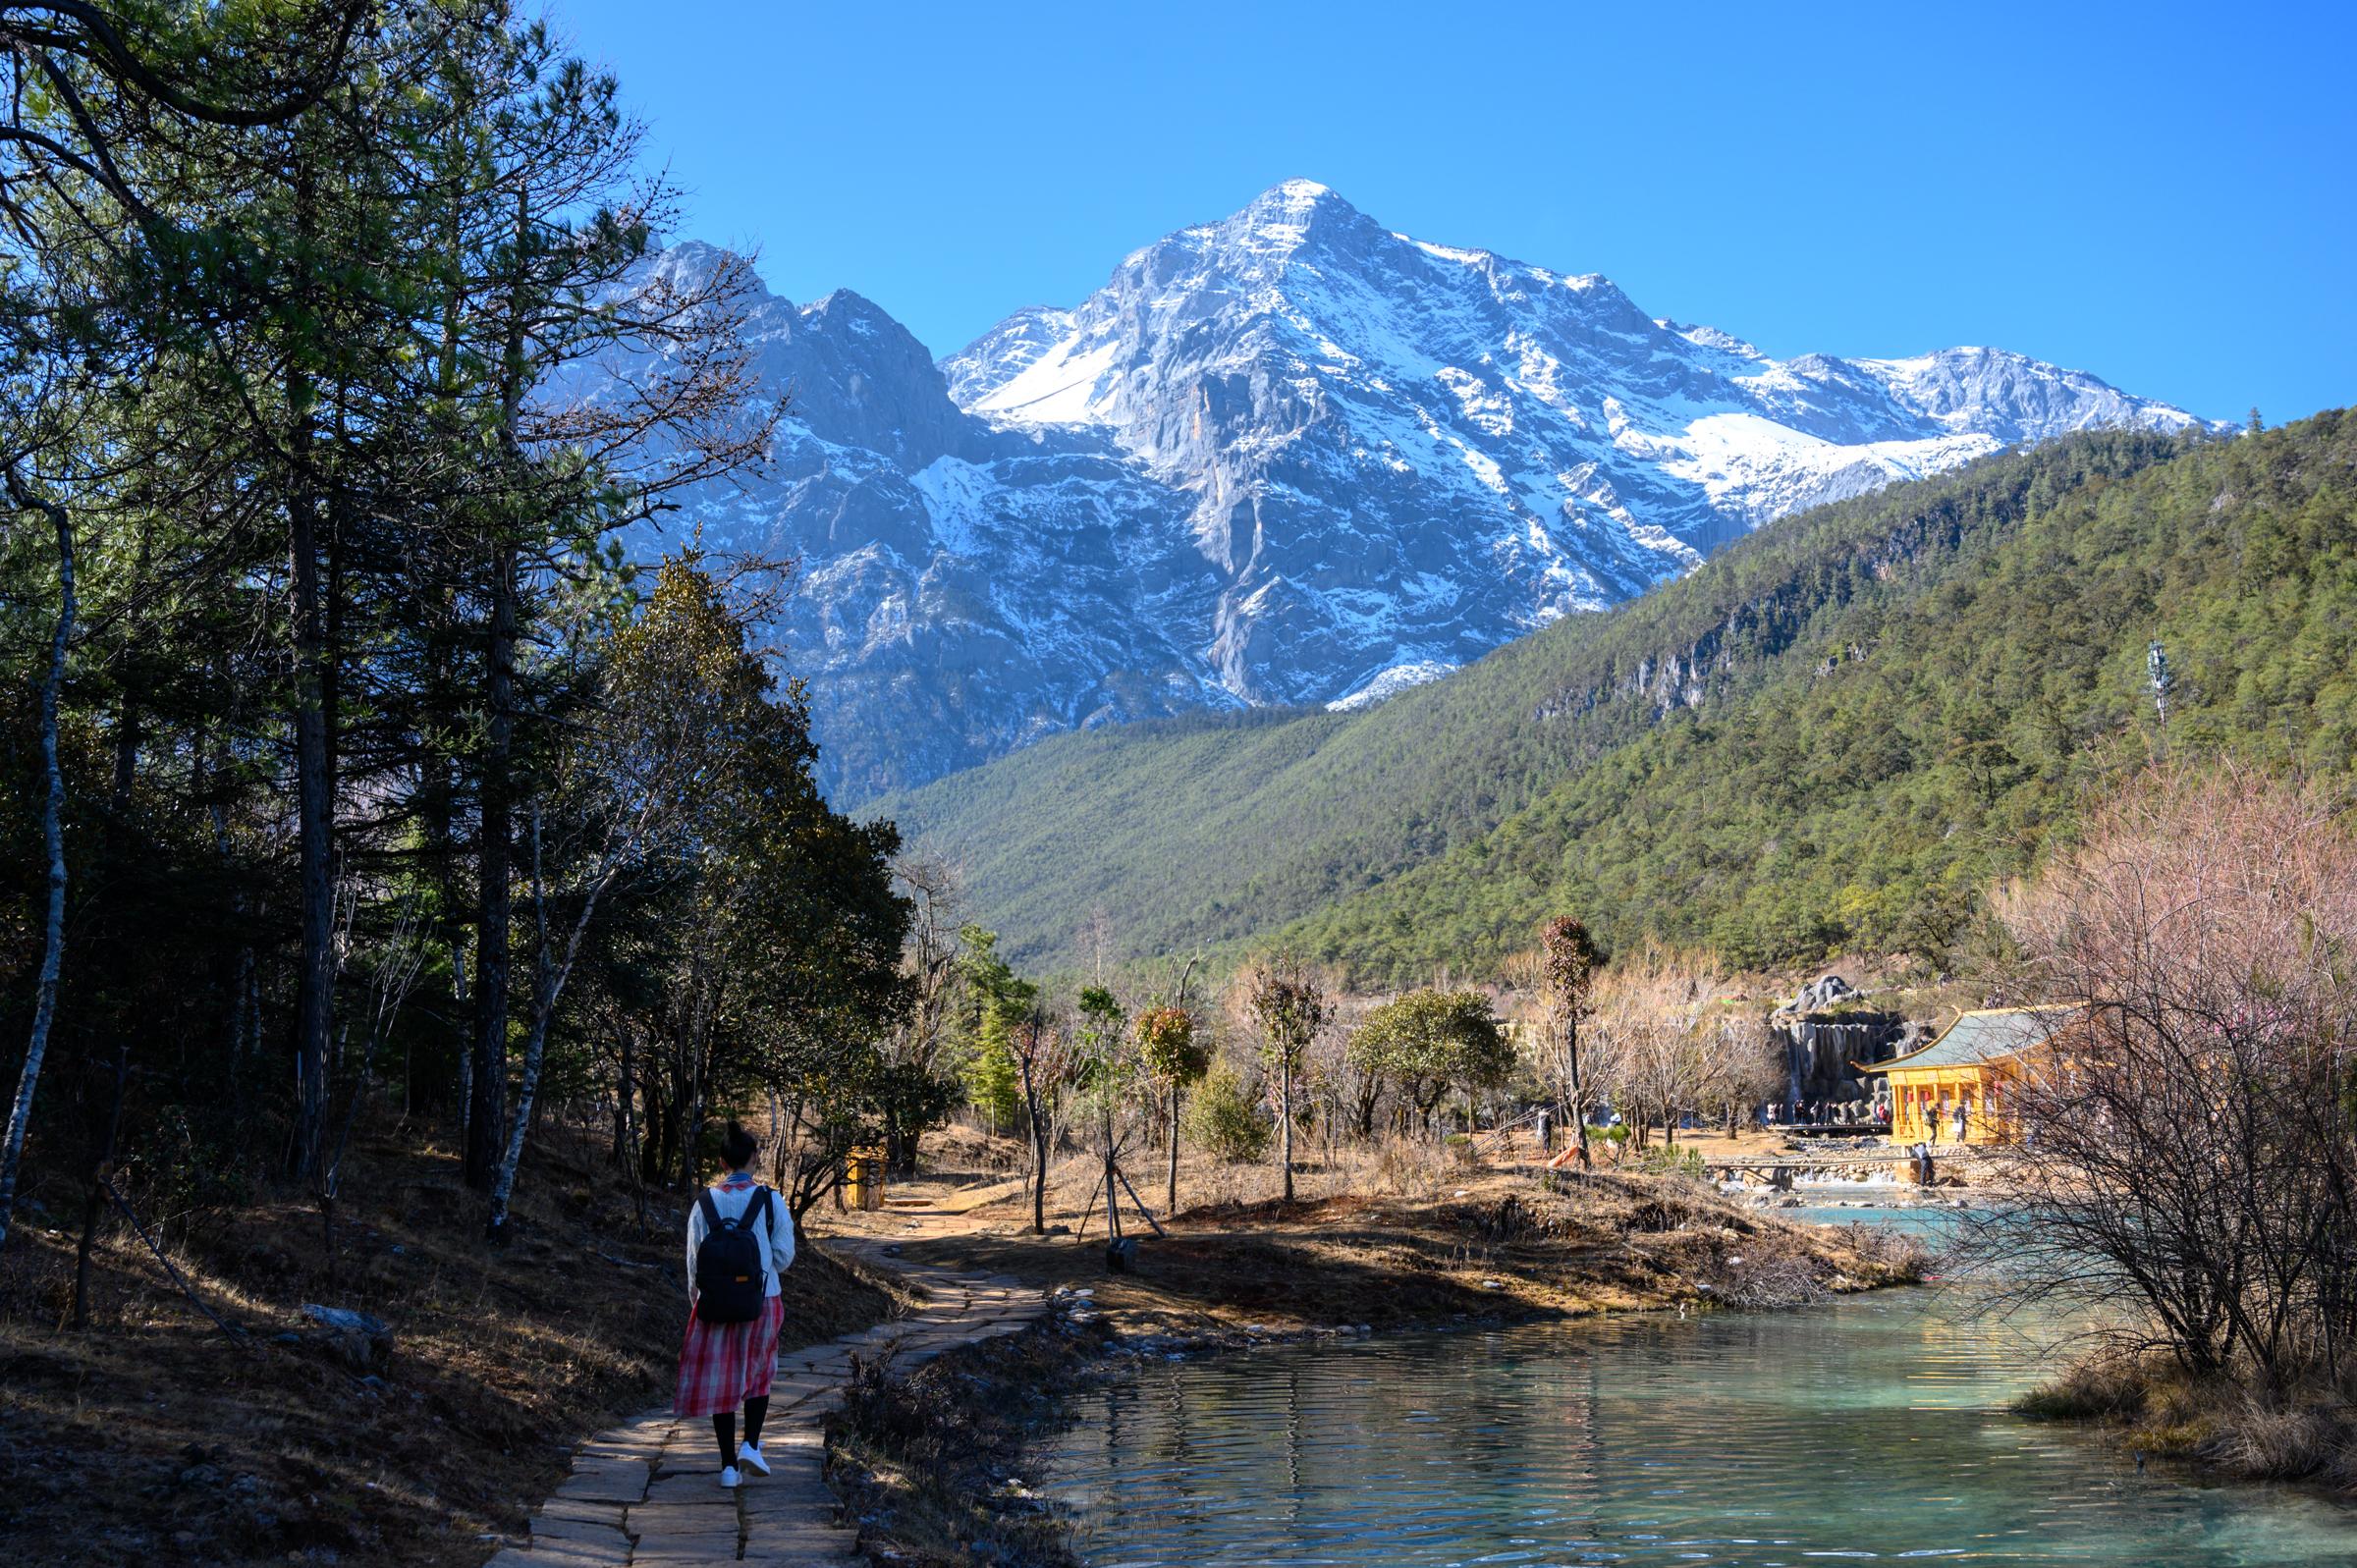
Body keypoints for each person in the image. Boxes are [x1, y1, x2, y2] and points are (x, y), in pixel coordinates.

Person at [677, 1120, 795, 1488]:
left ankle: (728, 1467)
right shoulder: (770, 1200)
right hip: (763, 1300)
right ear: (753, 1159)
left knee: (722, 1381)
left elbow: (694, 1261)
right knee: (760, 1374)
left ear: (722, 1162)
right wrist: (759, 1272)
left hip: (715, 1304)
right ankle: (752, 1444)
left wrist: (698, 1299)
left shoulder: (704, 1203)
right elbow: (784, 1254)